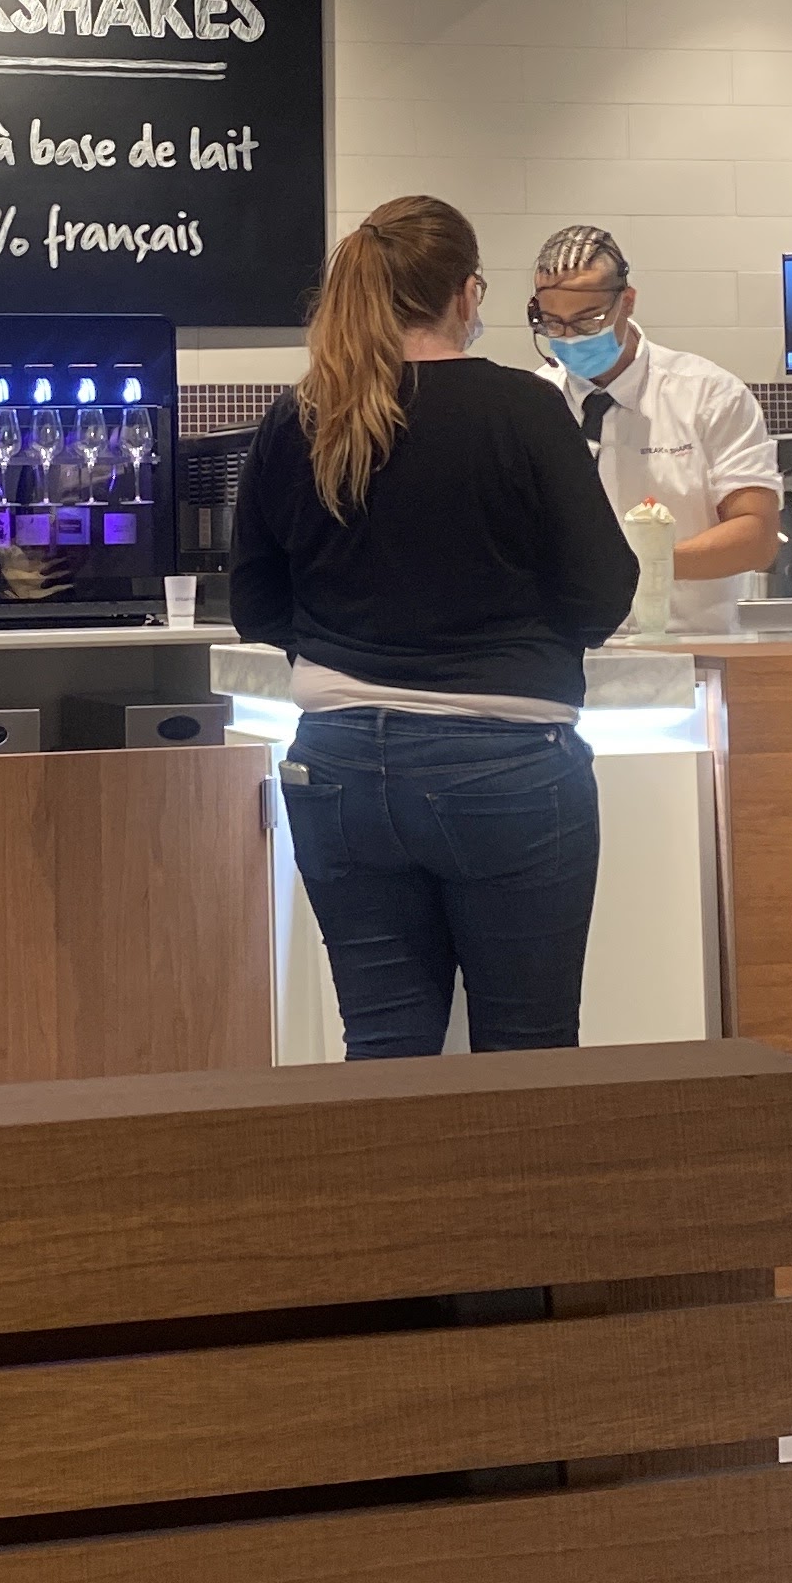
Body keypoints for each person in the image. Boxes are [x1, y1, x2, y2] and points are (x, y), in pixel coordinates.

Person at [231, 194, 635, 1055]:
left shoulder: (301, 416)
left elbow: (255, 606)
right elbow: (604, 592)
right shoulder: (523, 408)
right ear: (465, 292)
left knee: (385, 1049)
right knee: (525, 1051)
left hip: (336, 771)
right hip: (507, 769)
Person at [527, 220, 782, 634]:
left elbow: (757, 537)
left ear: (627, 302)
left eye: (588, 320)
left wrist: (650, 563)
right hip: (569, 650)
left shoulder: (709, 396)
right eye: (553, 323)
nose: (570, 337)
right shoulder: (534, 402)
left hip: (690, 645)